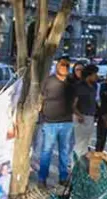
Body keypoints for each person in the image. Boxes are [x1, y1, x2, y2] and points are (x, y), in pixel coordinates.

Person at [37, 57, 75, 185]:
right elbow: (40, 98)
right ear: (57, 66)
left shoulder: (71, 81)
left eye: (66, 65)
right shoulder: (48, 81)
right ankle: (42, 178)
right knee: (46, 151)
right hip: (50, 122)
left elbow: (76, 98)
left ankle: (63, 177)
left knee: (64, 151)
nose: (64, 67)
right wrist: (41, 116)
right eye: (61, 65)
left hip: (66, 122)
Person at [72, 67, 98, 155]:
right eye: (94, 74)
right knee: (80, 143)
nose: (96, 76)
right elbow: (72, 104)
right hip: (81, 116)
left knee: (87, 142)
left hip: (91, 116)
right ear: (89, 75)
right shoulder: (79, 86)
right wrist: (79, 115)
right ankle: (75, 165)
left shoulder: (94, 86)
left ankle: (83, 164)